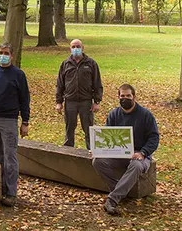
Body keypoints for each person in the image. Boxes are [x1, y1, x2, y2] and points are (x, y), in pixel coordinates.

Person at [92, 84, 159, 215]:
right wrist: (98, 150)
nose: (125, 98)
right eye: (122, 96)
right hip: (119, 153)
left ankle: (112, 200)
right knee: (97, 161)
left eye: (128, 96)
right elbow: (108, 138)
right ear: (118, 97)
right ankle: (120, 191)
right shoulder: (114, 114)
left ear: (134, 97)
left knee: (136, 166)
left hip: (139, 154)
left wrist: (143, 153)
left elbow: (154, 138)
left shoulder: (146, 115)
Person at [0, 43, 30, 207]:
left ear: (12, 56)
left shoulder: (18, 75)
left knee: (10, 157)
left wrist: (25, 122)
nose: (3, 55)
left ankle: (10, 192)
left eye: (6, 53)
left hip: (8, 120)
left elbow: (25, 99)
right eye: (1, 52)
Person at [55, 38, 103, 149]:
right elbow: (60, 84)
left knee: (88, 129)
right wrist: (59, 102)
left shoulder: (91, 63)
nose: (76, 49)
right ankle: (68, 151)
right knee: (69, 128)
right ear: (70, 49)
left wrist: (97, 101)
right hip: (70, 102)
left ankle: (91, 152)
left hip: (86, 102)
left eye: (78, 47)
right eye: (73, 47)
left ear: (83, 48)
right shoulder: (65, 64)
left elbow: (97, 83)